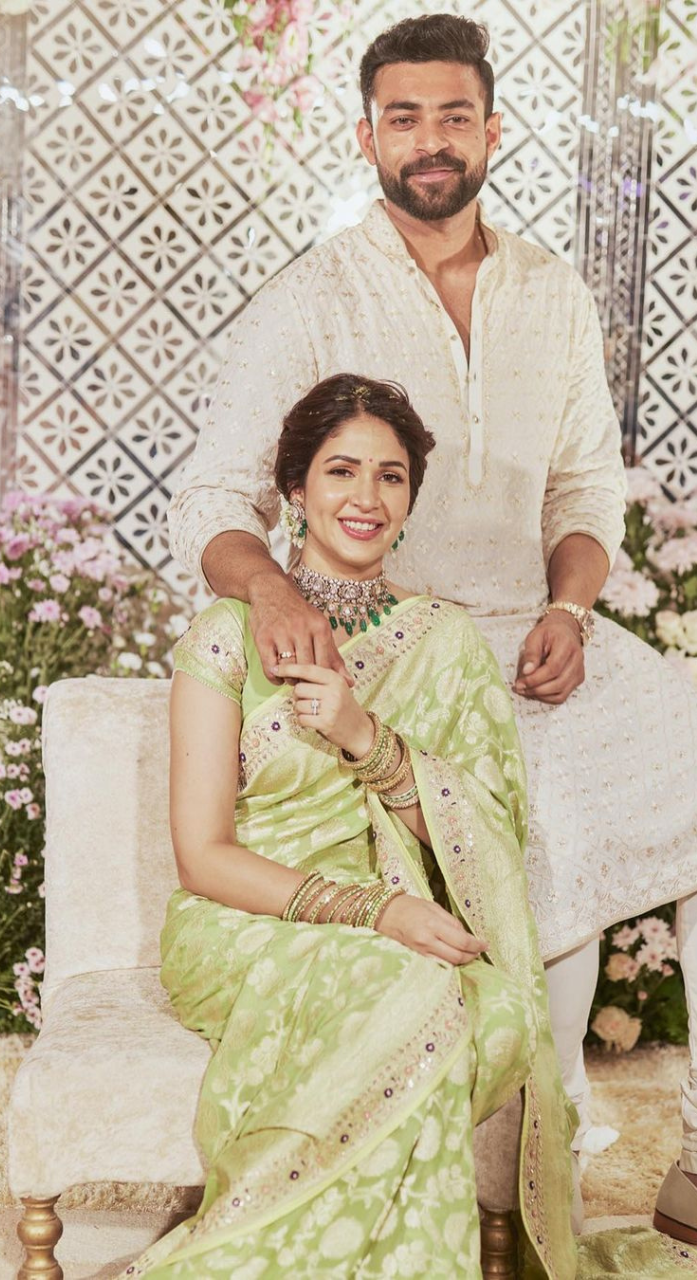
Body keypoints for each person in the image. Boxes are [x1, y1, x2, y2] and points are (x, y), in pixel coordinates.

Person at [168, 11, 697, 1240]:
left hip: (538, 635)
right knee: (537, 817)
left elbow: (585, 494)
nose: (430, 139)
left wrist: (573, 604)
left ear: (493, 128)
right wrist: (280, 592)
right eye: (403, 116)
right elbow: (213, 498)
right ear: (365, 135)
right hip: (391, 649)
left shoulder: (552, 293)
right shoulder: (314, 293)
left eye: (453, 114)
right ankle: (541, 1146)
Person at [119, 374, 577, 1280]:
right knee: (417, 995)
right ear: (294, 490)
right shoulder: (227, 634)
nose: (366, 499)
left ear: (411, 500)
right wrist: (372, 913)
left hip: (402, 918)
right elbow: (202, 855)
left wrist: (366, 738)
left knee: (488, 1012)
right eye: (340, 472)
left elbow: (484, 833)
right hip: (248, 920)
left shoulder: (443, 642)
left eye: (391, 477)